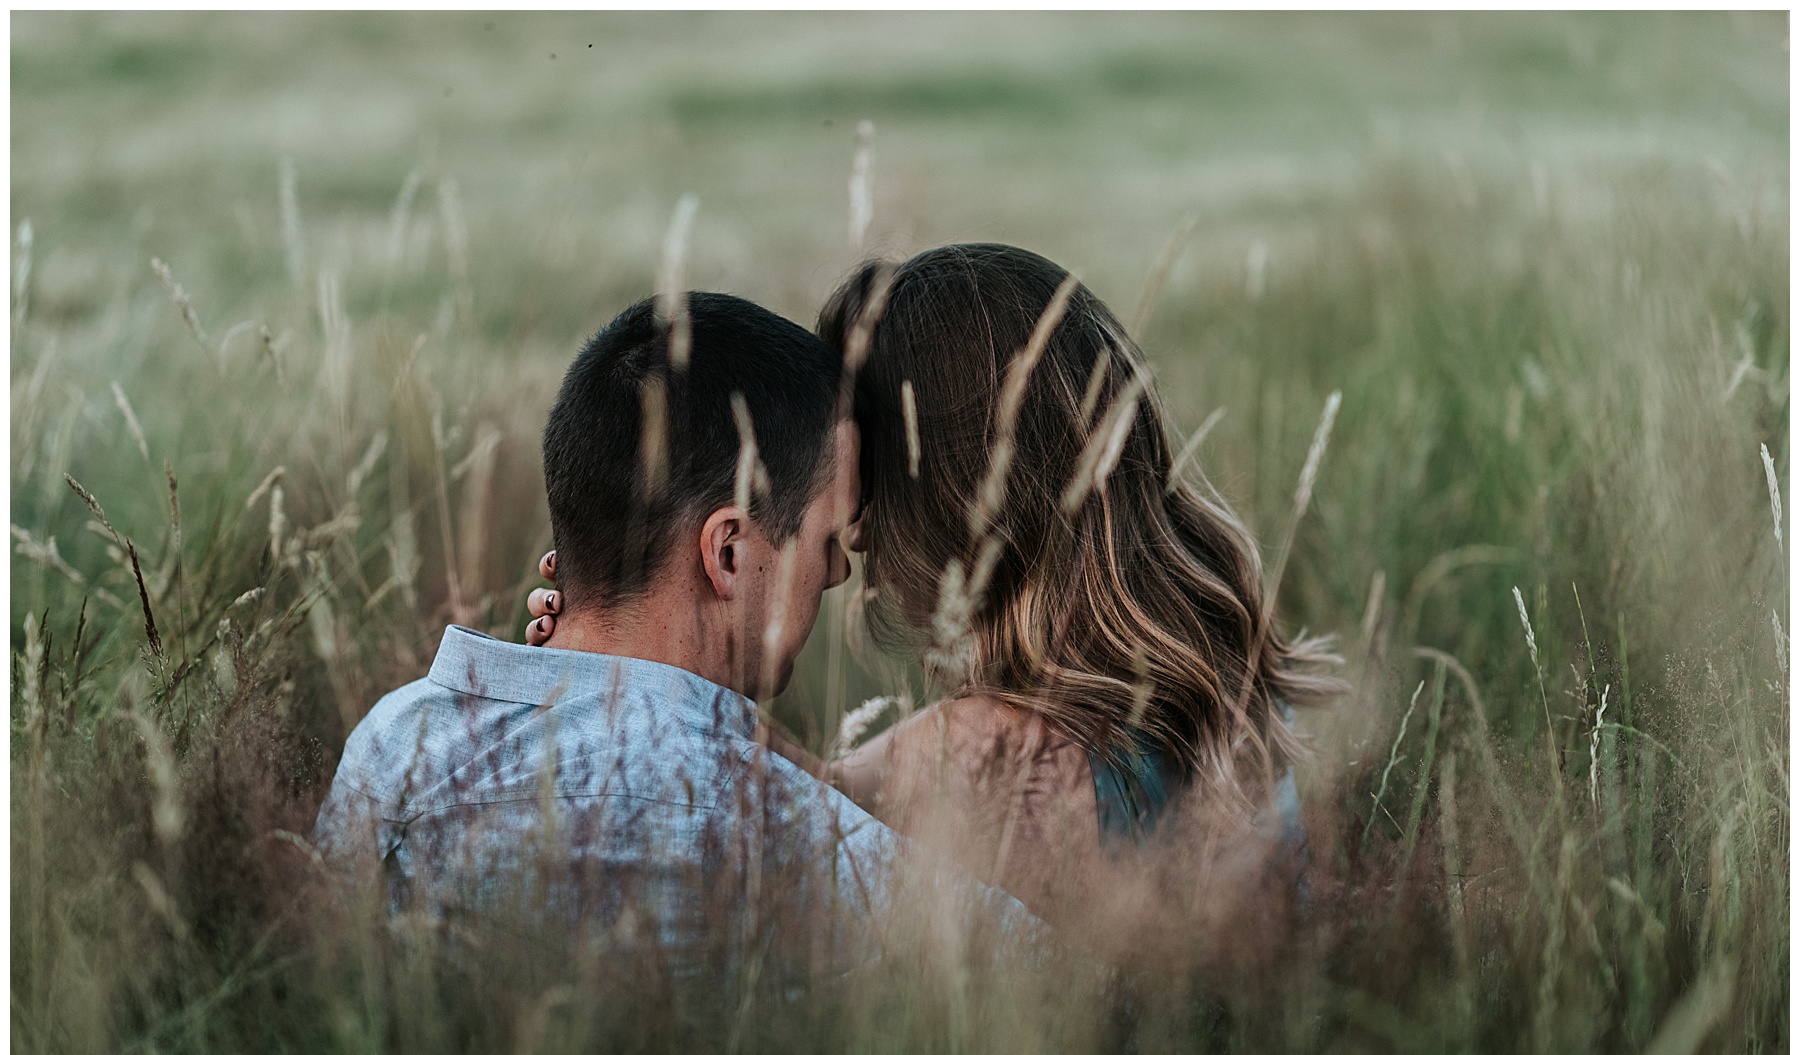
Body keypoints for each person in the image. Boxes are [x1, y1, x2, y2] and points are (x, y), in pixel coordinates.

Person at [528, 243, 1342, 969]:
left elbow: (765, 786)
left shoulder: (998, 758)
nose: (852, 554)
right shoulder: (1227, 680)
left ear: (942, 503)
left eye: (858, 495)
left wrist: (606, 637)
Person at [313, 291, 1027, 961]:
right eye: (824, 541)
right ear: (728, 552)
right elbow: (1084, 996)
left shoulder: (391, 738)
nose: (838, 574)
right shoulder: (761, 820)